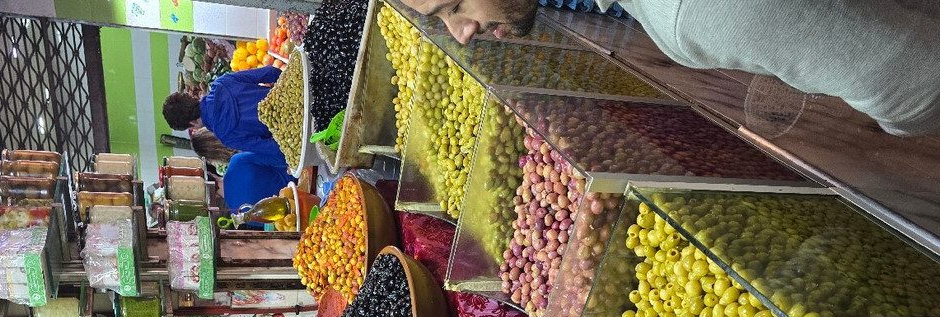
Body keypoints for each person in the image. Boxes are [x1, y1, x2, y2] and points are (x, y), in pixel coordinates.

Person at [402, 0, 940, 136]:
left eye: (452, 7)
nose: (461, 32)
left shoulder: (689, 13)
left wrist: (891, 130)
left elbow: (912, 79)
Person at [163, 67, 285, 162]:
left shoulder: (227, 138)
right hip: (295, 97)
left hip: (295, 127)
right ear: (192, 98)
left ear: (192, 123)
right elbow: (270, 72)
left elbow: (272, 147)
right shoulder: (221, 83)